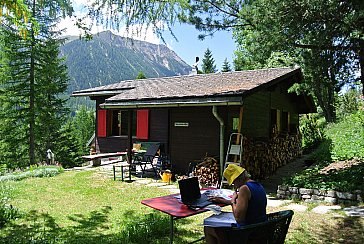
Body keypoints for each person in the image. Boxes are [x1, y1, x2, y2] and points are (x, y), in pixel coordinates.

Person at [204, 164, 267, 244]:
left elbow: (239, 218)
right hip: (260, 230)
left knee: (208, 228)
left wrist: (233, 200)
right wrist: (224, 201)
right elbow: (250, 204)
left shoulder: (244, 189)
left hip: (247, 234)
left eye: (233, 183)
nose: (234, 186)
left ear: (237, 179)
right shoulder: (258, 185)